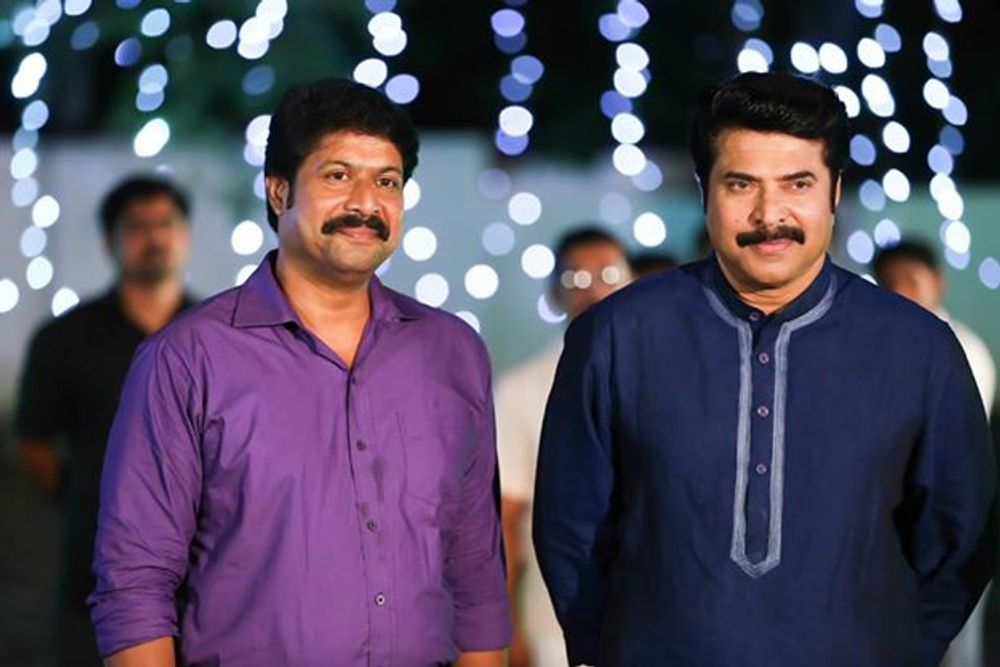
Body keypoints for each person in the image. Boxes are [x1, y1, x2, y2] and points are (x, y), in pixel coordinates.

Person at [533, 71, 995, 667]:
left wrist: (895, 648)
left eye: (798, 183)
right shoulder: (617, 336)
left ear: (834, 191)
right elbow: (570, 528)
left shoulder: (918, 347)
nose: (769, 213)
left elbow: (960, 539)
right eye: (741, 184)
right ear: (705, 190)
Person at [89, 78, 510, 666]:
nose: (366, 204)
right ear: (279, 191)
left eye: (387, 182)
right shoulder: (188, 359)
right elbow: (134, 584)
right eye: (338, 175)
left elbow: (476, 573)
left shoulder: (452, 353)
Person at [15, 174, 195, 666]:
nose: (154, 237)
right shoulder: (65, 338)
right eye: (137, 226)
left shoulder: (216, 336)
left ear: (186, 235)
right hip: (96, 565)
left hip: (203, 571)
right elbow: (33, 443)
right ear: (108, 241)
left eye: (166, 223)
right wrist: (82, 495)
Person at [495, 227, 632, 667]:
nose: (593, 291)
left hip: (653, 622)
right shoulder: (520, 389)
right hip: (555, 626)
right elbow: (505, 518)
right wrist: (507, 627)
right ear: (554, 293)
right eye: (576, 279)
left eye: (608, 274)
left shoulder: (666, 377)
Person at [873, 239, 997, 667]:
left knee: (956, 642)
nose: (901, 293)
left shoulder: (961, 348)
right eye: (890, 284)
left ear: (937, 282)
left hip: (947, 517)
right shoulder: (886, 346)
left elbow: (961, 455)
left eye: (910, 281)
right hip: (898, 521)